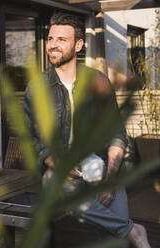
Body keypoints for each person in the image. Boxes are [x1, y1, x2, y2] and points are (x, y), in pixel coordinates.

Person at [23, 12, 150, 248]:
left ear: (78, 45)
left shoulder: (98, 81)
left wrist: (110, 178)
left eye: (61, 39)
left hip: (97, 161)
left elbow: (116, 133)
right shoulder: (36, 87)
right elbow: (32, 140)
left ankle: (124, 231)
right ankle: (132, 230)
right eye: (50, 39)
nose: (52, 45)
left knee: (116, 236)